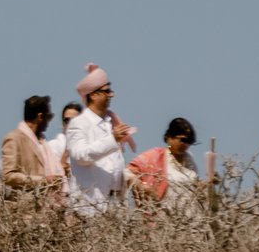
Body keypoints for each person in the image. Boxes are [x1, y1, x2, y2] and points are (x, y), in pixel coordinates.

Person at [62, 66, 136, 216]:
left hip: (114, 208)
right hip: (89, 208)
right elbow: (81, 155)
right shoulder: (78, 124)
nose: (111, 95)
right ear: (94, 95)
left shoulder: (110, 123)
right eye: (107, 91)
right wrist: (112, 139)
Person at [131, 117, 212, 222]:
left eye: (189, 141)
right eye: (182, 140)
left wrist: (208, 182)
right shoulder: (156, 156)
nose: (185, 144)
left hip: (190, 219)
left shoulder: (190, 160)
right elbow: (129, 173)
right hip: (163, 220)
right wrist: (144, 188)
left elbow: (194, 188)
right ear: (170, 138)